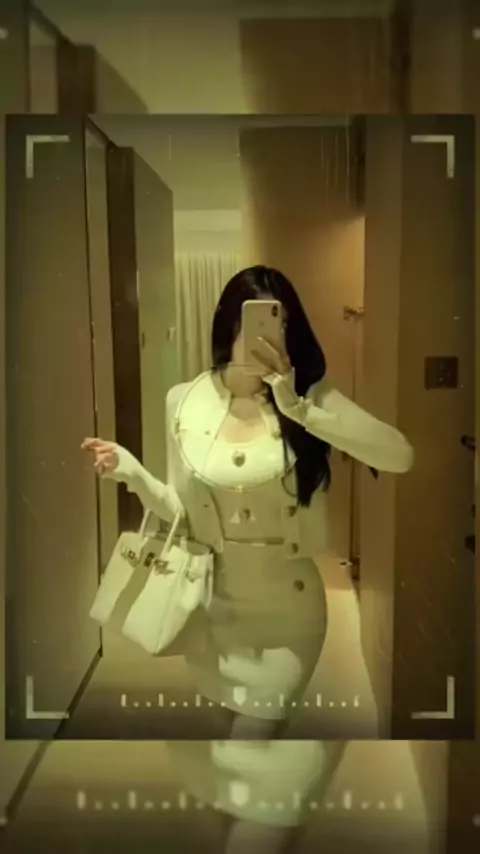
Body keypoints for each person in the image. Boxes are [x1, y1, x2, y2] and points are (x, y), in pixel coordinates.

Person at [82, 265, 414, 852]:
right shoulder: (185, 400)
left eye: (279, 323)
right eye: (253, 322)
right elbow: (182, 511)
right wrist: (133, 473)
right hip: (215, 607)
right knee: (230, 758)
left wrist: (300, 409)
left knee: (249, 746)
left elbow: (399, 456)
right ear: (227, 326)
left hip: (289, 613)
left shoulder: (311, 397)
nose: (265, 337)